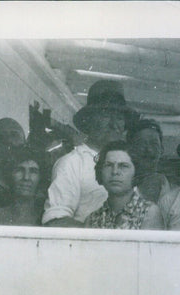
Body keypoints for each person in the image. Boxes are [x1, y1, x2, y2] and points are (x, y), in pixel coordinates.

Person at [42, 80, 136, 227]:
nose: (114, 124)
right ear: (89, 120)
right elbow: (56, 221)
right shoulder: (72, 163)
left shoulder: (129, 164)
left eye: (119, 118)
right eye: (106, 115)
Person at [84, 142, 161, 230]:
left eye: (123, 166)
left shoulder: (148, 213)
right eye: (109, 165)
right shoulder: (92, 219)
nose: (115, 172)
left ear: (137, 171)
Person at [0, 146, 45, 226]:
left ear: (40, 177)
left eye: (33, 171)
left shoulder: (46, 217)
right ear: (9, 175)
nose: (26, 177)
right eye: (20, 170)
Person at [128, 118, 171, 203]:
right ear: (130, 149)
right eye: (141, 143)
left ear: (162, 149)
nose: (149, 150)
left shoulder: (160, 183)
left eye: (154, 144)